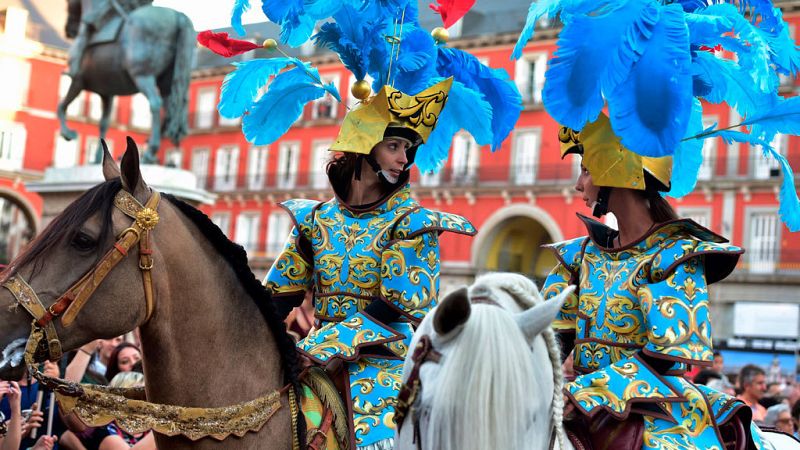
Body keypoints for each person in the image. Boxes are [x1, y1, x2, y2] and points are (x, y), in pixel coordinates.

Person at [264, 78, 476, 449]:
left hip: (385, 365)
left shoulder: (411, 223)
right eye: (393, 146)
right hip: (310, 358)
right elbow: (279, 296)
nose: (403, 159)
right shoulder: (315, 219)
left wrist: (317, 351)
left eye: (407, 149)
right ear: (363, 146)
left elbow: (394, 306)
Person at [542, 114, 766, 449]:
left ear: (613, 170)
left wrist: (591, 392)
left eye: (586, 170)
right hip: (571, 401)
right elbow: (552, 338)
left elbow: (667, 352)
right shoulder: (578, 257)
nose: (579, 184)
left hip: (656, 409)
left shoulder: (677, 254)